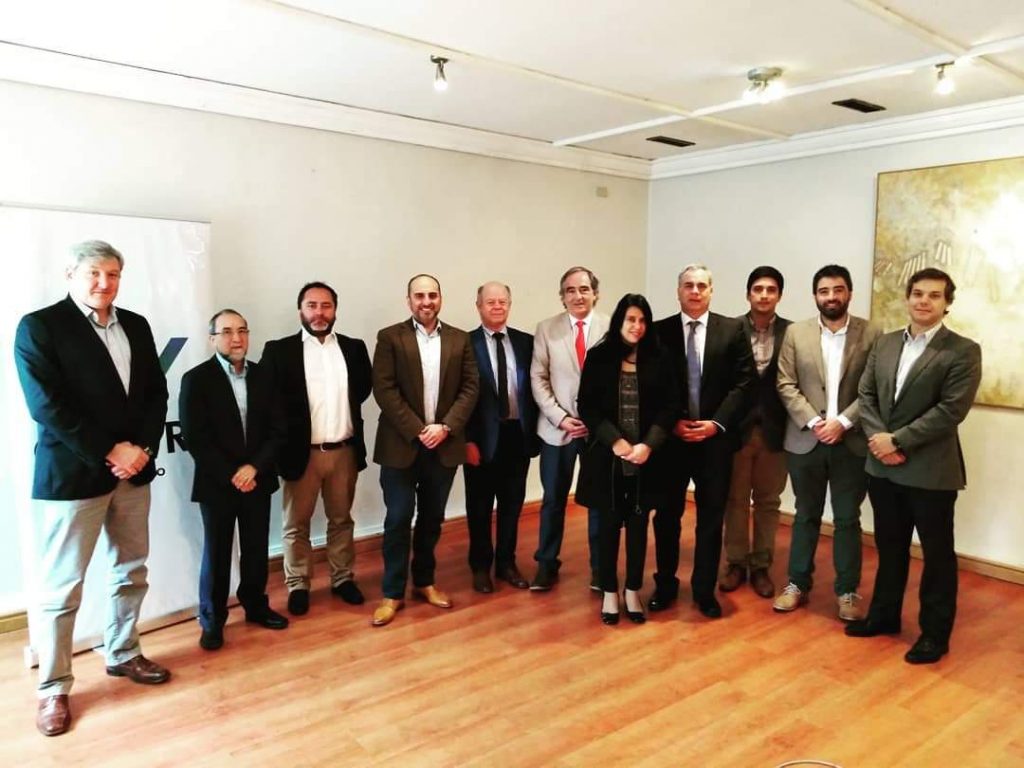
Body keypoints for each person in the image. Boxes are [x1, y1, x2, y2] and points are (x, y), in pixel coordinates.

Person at [14, 240, 170, 737]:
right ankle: (53, 687)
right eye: (94, 274)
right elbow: (47, 406)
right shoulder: (40, 326)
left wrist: (141, 448)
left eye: (114, 274)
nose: (105, 283)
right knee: (61, 588)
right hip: (73, 477)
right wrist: (110, 450)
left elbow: (155, 394)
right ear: (70, 275)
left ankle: (122, 652)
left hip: (133, 472)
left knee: (130, 571)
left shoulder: (137, 325)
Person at [847, 268, 981, 664]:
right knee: (890, 548)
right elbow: (866, 394)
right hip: (882, 467)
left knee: (937, 556)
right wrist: (879, 439)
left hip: (930, 470)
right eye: (918, 293)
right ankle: (884, 616)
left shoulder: (962, 350)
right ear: (907, 298)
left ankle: (934, 635)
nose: (924, 301)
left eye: (934, 295)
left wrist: (898, 440)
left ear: (947, 303)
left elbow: (950, 410)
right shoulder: (886, 343)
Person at [371, 274, 479, 626]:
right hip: (401, 446)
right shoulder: (390, 337)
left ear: (440, 298)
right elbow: (384, 390)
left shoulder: (460, 339)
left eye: (432, 295)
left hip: (444, 446)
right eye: (419, 296)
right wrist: (419, 430)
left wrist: (445, 427)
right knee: (398, 518)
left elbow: (470, 388)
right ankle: (392, 592)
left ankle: (424, 582)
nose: (426, 301)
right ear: (409, 301)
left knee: (432, 519)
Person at [774, 265, 881, 621]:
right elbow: (785, 383)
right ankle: (797, 583)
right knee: (805, 514)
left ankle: (847, 591)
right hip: (806, 440)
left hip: (851, 442)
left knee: (848, 518)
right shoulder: (796, 333)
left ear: (849, 293)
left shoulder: (872, 333)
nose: (831, 297)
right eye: (824, 291)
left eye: (838, 290)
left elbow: (874, 387)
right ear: (815, 295)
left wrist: (844, 422)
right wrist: (815, 422)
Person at [179, 309, 289, 651]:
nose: (236, 338)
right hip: (217, 483)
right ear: (212, 338)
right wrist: (233, 473)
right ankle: (212, 619)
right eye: (226, 332)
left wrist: (254, 468)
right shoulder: (196, 379)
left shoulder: (264, 376)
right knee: (218, 552)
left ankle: (255, 605)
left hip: (258, 478)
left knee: (256, 549)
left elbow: (278, 430)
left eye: (242, 330)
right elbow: (196, 438)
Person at [260, 282, 372, 616]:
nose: (319, 313)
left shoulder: (353, 348)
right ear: (301, 311)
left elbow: (362, 389)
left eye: (326, 306)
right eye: (312, 306)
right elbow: (268, 403)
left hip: (344, 451)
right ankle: (298, 584)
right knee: (296, 525)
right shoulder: (279, 351)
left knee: (341, 520)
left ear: (335, 310)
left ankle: (342, 578)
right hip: (301, 454)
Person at [649, 264, 755, 619]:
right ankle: (665, 585)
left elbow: (744, 383)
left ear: (711, 291)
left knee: (710, 519)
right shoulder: (659, 332)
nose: (695, 291)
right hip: (672, 442)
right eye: (688, 285)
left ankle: (704, 590)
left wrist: (716, 424)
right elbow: (651, 385)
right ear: (678, 291)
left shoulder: (733, 330)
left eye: (701, 286)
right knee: (667, 517)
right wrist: (671, 423)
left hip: (714, 443)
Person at [576, 294, 678, 625]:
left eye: (643, 320)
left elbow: (670, 407)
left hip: (647, 459)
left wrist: (648, 445)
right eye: (631, 319)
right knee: (607, 527)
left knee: (637, 527)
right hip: (608, 459)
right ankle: (609, 591)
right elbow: (587, 406)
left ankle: (633, 589)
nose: (637, 326)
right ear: (619, 321)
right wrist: (616, 442)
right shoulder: (599, 356)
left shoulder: (660, 357)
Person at [529, 266, 610, 592]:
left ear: (595, 293)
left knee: (598, 501)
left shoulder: (611, 327)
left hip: (598, 432)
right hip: (557, 430)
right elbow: (538, 378)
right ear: (562, 297)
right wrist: (560, 417)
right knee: (553, 499)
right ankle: (546, 564)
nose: (578, 295)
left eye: (584, 289)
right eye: (571, 290)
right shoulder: (546, 329)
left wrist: (598, 420)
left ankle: (600, 569)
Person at [464, 282, 540, 593]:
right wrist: (466, 441)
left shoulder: (526, 342)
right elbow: (457, 395)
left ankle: (506, 563)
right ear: (478, 306)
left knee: (512, 505)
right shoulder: (464, 344)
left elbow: (535, 389)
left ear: (509, 304)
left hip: (516, 435)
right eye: (490, 302)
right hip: (480, 439)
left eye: (502, 301)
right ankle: (480, 566)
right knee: (479, 506)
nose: (497, 306)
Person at [720, 267, 791, 599]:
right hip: (737, 431)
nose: (764, 295)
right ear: (748, 293)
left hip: (776, 432)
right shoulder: (729, 329)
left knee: (768, 502)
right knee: (735, 500)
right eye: (758, 289)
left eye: (771, 289)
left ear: (779, 295)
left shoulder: (793, 333)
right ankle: (736, 562)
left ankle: (761, 565)